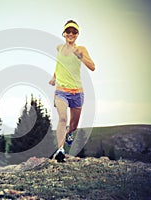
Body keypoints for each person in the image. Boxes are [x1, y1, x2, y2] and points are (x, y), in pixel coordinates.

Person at [49, 20, 95, 162]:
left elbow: (92, 67)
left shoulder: (81, 49)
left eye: (74, 32)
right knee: (63, 118)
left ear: (77, 34)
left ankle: (69, 133)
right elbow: (59, 64)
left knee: (74, 125)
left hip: (77, 92)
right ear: (64, 33)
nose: (70, 34)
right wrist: (54, 77)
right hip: (61, 91)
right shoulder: (59, 48)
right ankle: (61, 149)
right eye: (68, 31)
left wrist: (79, 55)